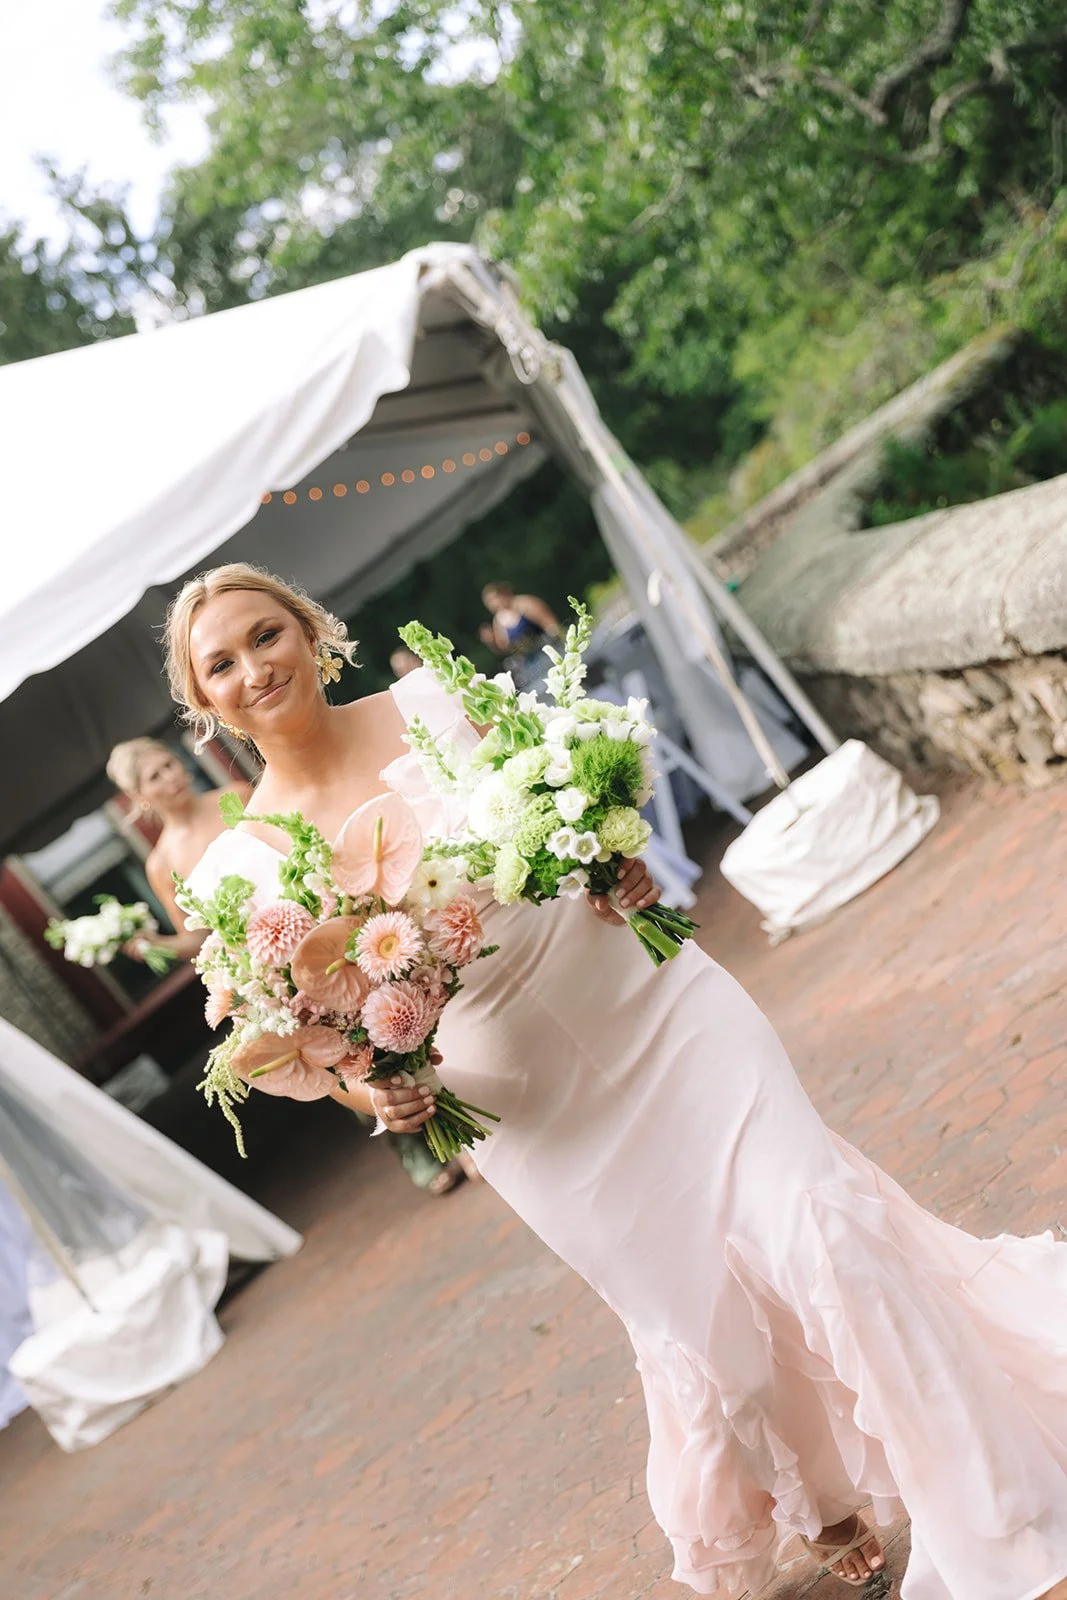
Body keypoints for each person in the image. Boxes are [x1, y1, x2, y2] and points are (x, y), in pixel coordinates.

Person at [167, 562, 1067, 1600]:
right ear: (201, 702)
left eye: (265, 634)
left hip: (652, 1004)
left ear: (311, 631)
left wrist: (612, 860)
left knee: (821, 1224)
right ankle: (818, 1493)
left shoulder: (433, 701)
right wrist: (378, 1091)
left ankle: (1002, 1528)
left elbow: (566, 800)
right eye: (219, 662)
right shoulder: (238, 872)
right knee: (712, 1332)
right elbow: (304, 1042)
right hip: (532, 1112)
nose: (252, 668)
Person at [106, 737, 253, 963]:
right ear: (139, 796)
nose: (170, 777)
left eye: (169, 764)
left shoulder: (238, 796)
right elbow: (196, 939)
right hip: (252, 955)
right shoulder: (161, 864)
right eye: (155, 776)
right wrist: (157, 944)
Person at [478, 581, 562, 691]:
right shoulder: (498, 621)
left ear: (503, 594)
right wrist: (491, 641)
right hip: (530, 663)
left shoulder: (525, 604)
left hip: (548, 649)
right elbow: (506, 649)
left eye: (495, 598)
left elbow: (550, 625)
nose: (494, 604)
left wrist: (558, 641)